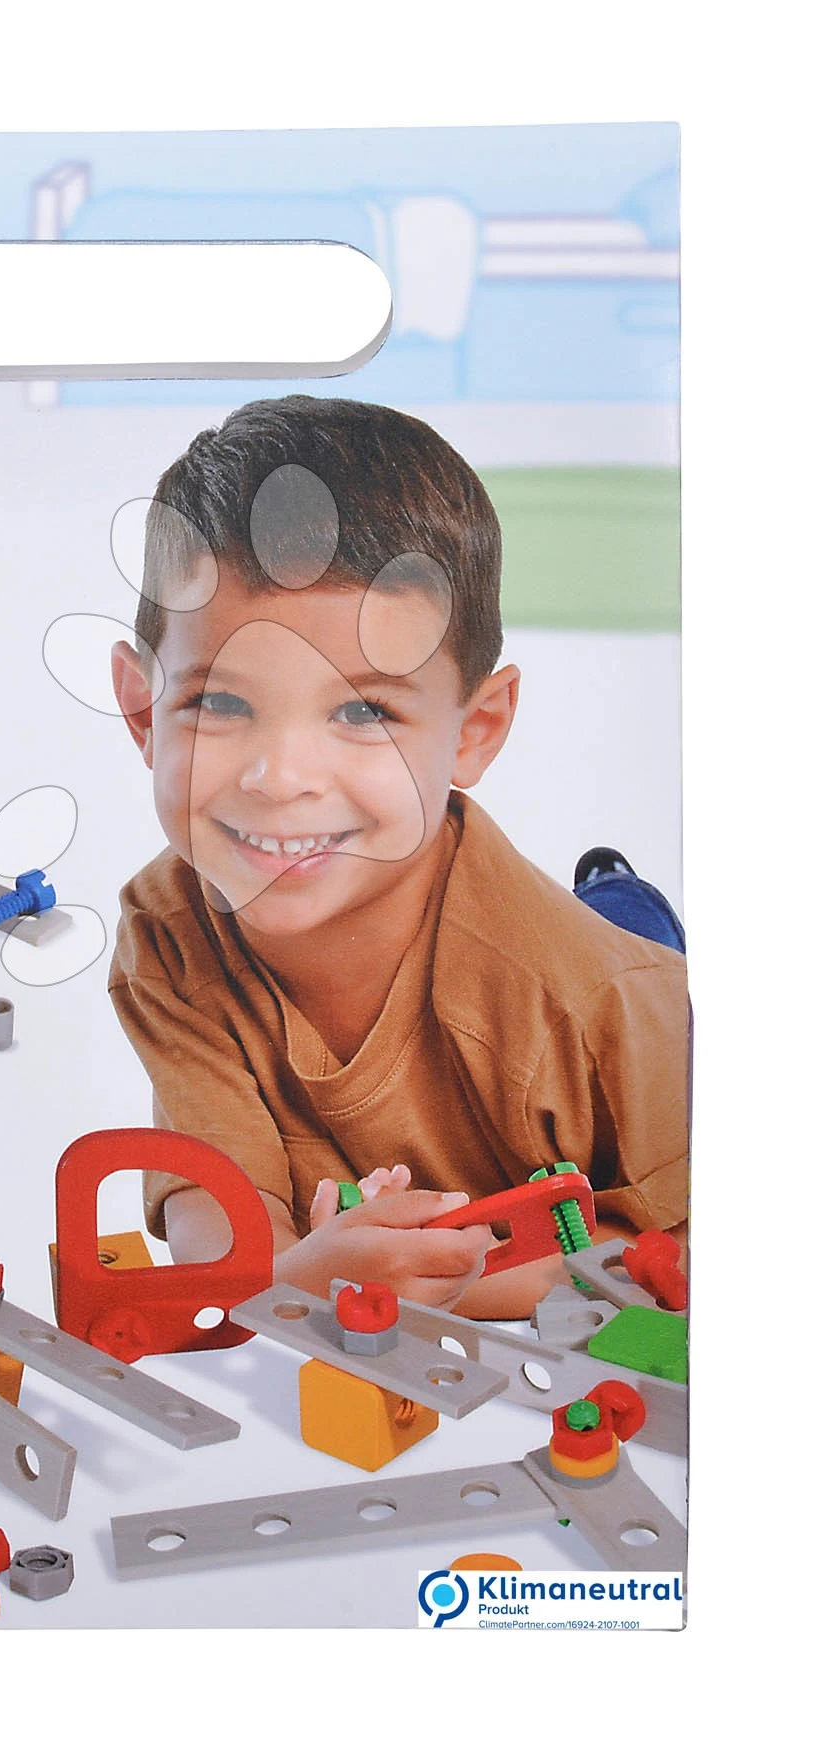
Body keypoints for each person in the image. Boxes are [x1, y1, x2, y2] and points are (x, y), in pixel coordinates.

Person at [107, 396, 687, 1319]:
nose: (280, 778)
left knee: (633, 946)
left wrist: (445, 1285)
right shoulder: (170, 928)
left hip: (611, 981)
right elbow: (212, 1199)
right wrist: (290, 1281)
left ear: (474, 730)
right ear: (143, 710)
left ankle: (616, 897)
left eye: (363, 711)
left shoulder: (599, 1004)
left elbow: (688, 1248)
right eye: (218, 704)